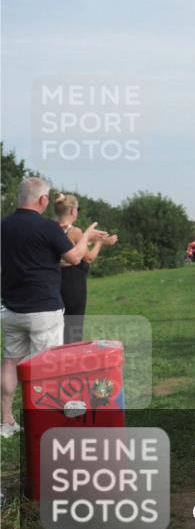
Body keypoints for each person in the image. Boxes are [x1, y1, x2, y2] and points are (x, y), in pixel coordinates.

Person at [1, 178, 108, 436]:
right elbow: (74, 257)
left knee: (9, 363)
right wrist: (88, 237)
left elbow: (33, 262)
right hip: (43, 310)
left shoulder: (3, 226)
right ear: (42, 200)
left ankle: (5, 421)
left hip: (10, 308)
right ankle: (46, 422)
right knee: (47, 367)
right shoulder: (48, 227)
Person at [54, 194, 119, 344]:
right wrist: (101, 243)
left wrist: (91, 239)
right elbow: (88, 257)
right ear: (72, 211)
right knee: (74, 323)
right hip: (72, 281)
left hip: (54, 278)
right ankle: (71, 355)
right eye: (78, 208)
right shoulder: (74, 231)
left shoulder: (51, 227)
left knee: (58, 323)